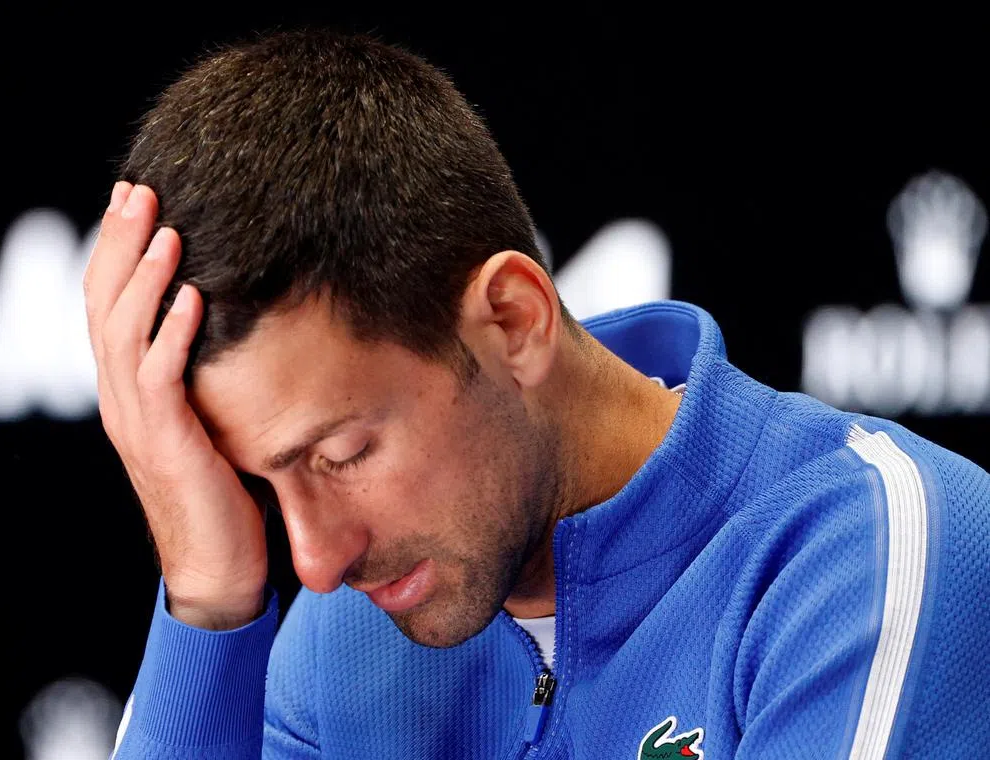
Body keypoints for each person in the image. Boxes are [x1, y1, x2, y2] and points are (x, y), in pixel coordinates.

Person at [83, 30, 988, 760]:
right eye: (262, 484)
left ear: (514, 320)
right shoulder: (336, 644)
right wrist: (207, 605)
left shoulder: (869, 546)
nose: (315, 563)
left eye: (343, 455)